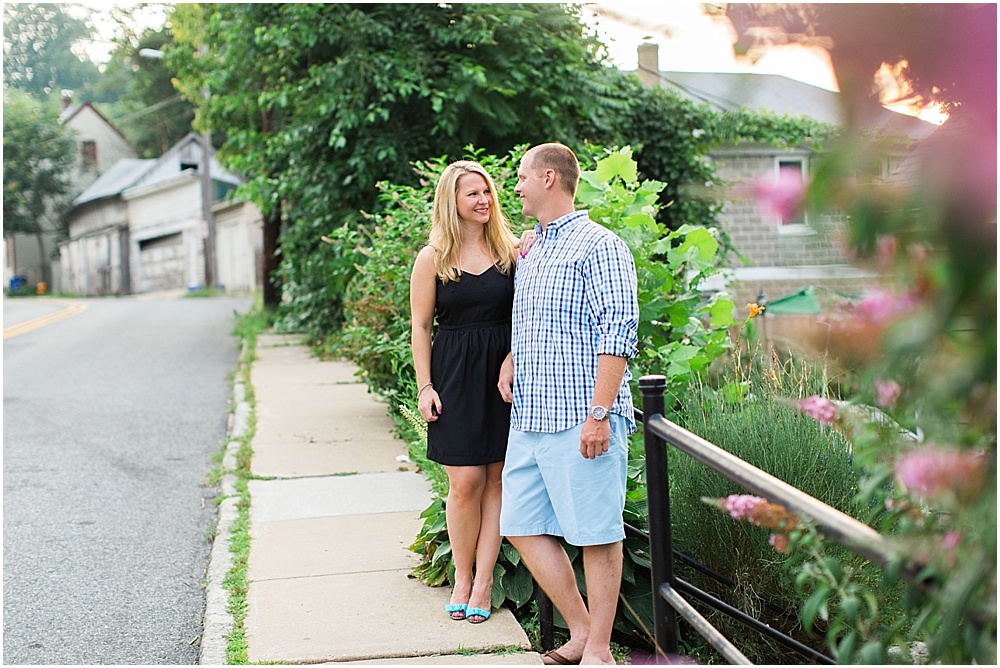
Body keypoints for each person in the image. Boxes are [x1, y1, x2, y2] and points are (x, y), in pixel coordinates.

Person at [498, 143, 639, 665]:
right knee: (519, 523)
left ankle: (599, 651)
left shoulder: (599, 245)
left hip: (581, 415)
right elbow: (542, 318)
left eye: (521, 178)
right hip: (531, 417)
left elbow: (618, 331)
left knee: (598, 533)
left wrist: (600, 413)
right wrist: (514, 355)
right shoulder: (533, 248)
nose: (516, 187)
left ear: (549, 178)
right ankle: (581, 630)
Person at [410, 160, 519, 625]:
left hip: (503, 376)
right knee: (465, 483)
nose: (483, 200)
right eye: (471, 193)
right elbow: (419, 325)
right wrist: (424, 386)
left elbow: (527, 313)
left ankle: (484, 580)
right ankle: (461, 573)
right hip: (453, 372)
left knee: (496, 480)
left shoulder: (511, 249)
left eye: (487, 191)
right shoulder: (431, 257)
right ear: (451, 201)